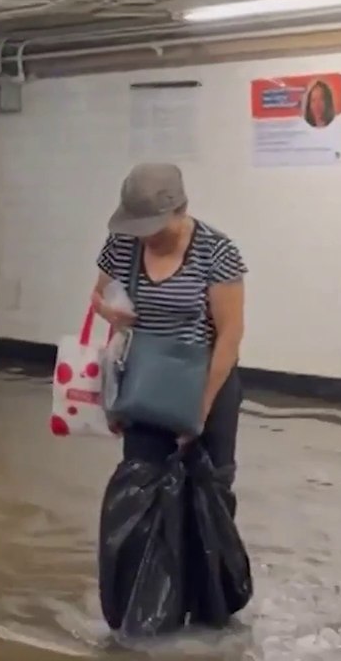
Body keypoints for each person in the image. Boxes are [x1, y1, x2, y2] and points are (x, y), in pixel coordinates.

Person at [90, 162, 246, 498]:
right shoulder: (121, 244)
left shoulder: (216, 251)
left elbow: (230, 336)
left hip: (204, 379)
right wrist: (109, 312)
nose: (147, 236)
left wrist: (199, 410)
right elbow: (98, 296)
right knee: (141, 485)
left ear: (182, 209)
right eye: (139, 227)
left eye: (155, 227)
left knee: (208, 489)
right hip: (144, 382)